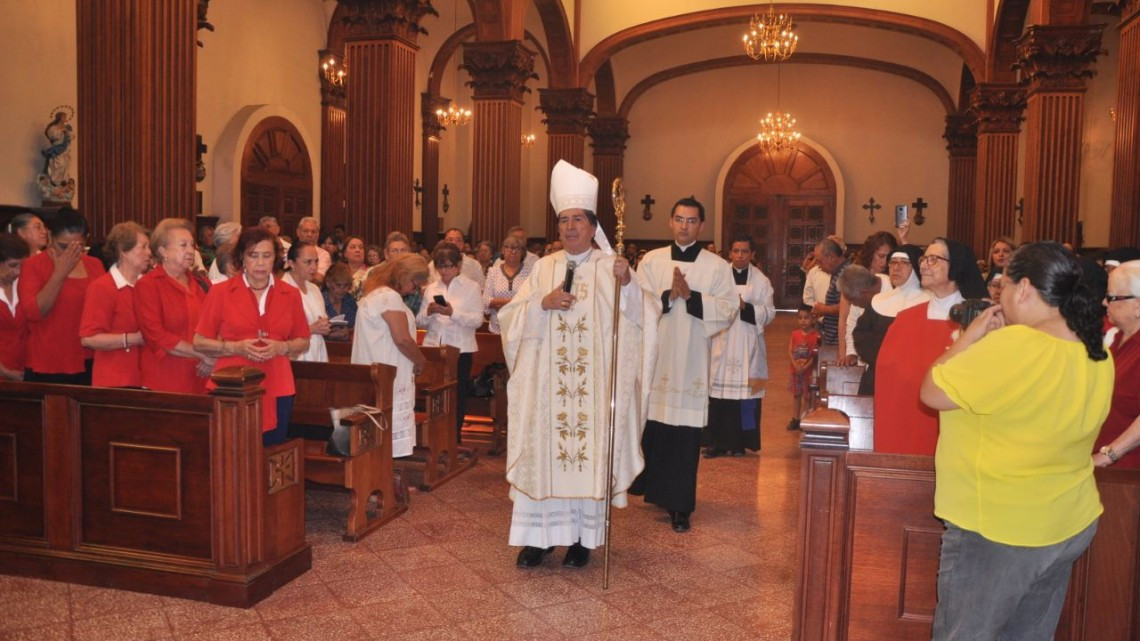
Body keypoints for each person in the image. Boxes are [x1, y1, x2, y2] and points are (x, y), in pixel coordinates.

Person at [919, 242, 1112, 641]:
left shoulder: (1012, 347)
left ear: (1024, 288)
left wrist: (969, 338)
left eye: (1003, 287)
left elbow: (931, 391)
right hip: (1065, 518)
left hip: (999, 525)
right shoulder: (1097, 351)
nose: (1000, 298)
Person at [500, 160, 649, 569]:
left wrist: (628, 283)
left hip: (591, 395)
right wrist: (541, 304)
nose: (569, 227)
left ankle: (582, 539)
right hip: (547, 393)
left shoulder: (610, 266)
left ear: (592, 225)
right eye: (563, 220)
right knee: (544, 458)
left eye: (577, 219)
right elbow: (509, 318)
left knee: (586, 459)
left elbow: (640, 319)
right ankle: (540, 540)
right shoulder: (543, 268)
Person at [630, 195, 737, 534]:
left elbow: (729, 308)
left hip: (691, 359)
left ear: (701, 226)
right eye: (679, 219)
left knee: (685, 434)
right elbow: (635, 301)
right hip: (657, 357)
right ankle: (656, 491)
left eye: (692, 221)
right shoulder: (652, 260)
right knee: (656, 426)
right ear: (670, 221)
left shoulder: (716, 266)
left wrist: (692, 298)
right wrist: (667, 296)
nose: (684, 226)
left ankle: (680, 505)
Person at [193, 227, 311, 445]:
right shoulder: (221, 292)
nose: (260, 263)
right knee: (232, 451)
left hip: (277, 383)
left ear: (275, 259)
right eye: (253, 255)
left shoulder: (290, 294)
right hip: (232, 385)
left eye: (267, 256)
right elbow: (199, 341)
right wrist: (235, 347)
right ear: (242, 258)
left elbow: (303, 340)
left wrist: (282, 347)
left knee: (272, 452)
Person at [874, 238, 985, 455]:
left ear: (956, 266)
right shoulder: (906, 319)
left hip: (958, 431)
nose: (924, 264)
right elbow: (889, 380)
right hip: (908, 426)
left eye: (934, 259)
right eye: (924, 259)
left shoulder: (978, 321)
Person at [352, 253, 430, 458]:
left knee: (378, 426)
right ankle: (384, 471)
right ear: (404, 275)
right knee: (386, 426)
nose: (414, 290)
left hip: (378, 369)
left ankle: (382, 469)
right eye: (415, 284)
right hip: (388, 372)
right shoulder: (389, 297)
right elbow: (402, 339)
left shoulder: (376, 292)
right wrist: (421, 361)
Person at [18, 207, 106, 384]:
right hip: (47, 361)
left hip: (88, 358)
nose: (69, 254)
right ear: (50, 236)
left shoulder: (95, 265)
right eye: (63, 247)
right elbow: (34, 312)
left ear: (86, 240)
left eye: (77, 247)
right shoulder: (33, 265)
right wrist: (59, 273)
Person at [705, 235, 775, 456]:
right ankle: (715, 442)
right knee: (717, 394)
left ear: (752, 254)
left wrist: (745, 307)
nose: (740, 255)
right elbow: (707, 303)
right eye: (736, 251)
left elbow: (769, 313)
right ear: (730, 253)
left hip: (747, 343)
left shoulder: (761, 281)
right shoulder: (718, 276)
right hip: (721, 341)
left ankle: (740, 443)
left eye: (745, 251)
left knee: (746, 396)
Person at [135, 218, 215, 394]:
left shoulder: (202, 283)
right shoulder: (148, 285)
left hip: (202, 379)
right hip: (164, 381)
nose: (191, 250)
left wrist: (213, 355)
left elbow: (218, 324)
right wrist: (202, 354)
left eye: (192, 245)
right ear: (163, 250)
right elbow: (157, 335)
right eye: (183, 245)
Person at [417, 242, 482, 441]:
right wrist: (428, 312)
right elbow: (419, 321)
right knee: (434, 394)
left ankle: (454, 437)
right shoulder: (431, 288)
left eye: (448, 266)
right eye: (440, 267)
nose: (444, 271)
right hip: (434, 347)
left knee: (457, 394)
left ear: (458, 265)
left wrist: (453, 313)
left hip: (460, 349)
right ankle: (435, 436)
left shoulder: (471, 287)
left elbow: (477, 320)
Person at [78, 222, 150, 387]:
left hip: (147, 377)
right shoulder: (102, 287)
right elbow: (88, 338)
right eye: (143, 247)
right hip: (115, 380)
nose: (149, 253)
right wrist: (133, 339)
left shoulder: (148, 286)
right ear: (123, 251)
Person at [852, 244, 928, 395]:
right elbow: (861, 334)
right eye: (893, 262)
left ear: (916, 267)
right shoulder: (879, 300)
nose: (896, 268)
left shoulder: (929, 301)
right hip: (877, 374)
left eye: (904, 263)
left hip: (913, 378)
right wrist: (885, 358)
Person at [1092, 260, 1140, 469]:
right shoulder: (1115, 338)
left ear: (1138, 306)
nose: (1104, 302)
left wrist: (1109, 454)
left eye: (1111, 297)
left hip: (1128, 472)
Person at [840, 232, 897, 364]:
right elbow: (849, 321)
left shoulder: (893, 287)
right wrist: (849, 352)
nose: (885, 262)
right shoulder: (856, 280)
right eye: (881, 256)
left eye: (889, 257)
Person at [282, 243, 329, 363]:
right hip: (295, 357)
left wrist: (324, 325)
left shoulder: (315, 289)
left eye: (316, 261)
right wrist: (311, 329)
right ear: (292, 263)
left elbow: (320, 318)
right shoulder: (282, 289)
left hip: (317, 352)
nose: (314, 267)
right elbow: (280, 333)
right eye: (308, 262)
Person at [482, 234, 533, 334]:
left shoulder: (531, 272)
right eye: (509, 248)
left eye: (517, 248)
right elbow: (486, 300)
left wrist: (499, 304)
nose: (513, 252)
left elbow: (531, 300)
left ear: (523, 252)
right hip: (497, 329)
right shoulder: (493, 272)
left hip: (522, 329)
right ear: (503, 250)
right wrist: (516, 303)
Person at [0, 234, 29, 381]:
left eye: (22, 266)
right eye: (13, 265)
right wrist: (4, 371)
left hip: (26, 371)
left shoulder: (25, 286)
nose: (18, 272)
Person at [812, 238, 849, 347]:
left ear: (832, 257)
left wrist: (824, 309)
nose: (818, 266)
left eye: (820, 261)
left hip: (839, 342)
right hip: (832, 338)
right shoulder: (838, 272)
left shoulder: (846, 274)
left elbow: (850, 306)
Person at [787, 305, 819, 431]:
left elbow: (815, 355)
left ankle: (805, 418)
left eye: (806, 318)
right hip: (795, 371)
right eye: (800, 318)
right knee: (796, 395)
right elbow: (790, 350)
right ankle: (795, 419)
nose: (803, 321)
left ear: (813, 319)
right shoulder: (794, 334)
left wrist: (805, 367)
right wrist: (795, 365)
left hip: (808, 372)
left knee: (807, 396)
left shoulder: (816, 336)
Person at [323, 262, 356, 341]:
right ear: (328, 283)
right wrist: (328, 334)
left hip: (346, 345)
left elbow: (357, 324)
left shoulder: (349, 300)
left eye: (346, 285)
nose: (342, 289)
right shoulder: (321, 300)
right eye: (338, 285)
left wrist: (348, 331)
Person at [294, 217, 331, 283]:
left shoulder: (324, 255)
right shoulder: (289, 252)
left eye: (313, 232)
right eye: (306, 231)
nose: (309, 235)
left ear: (318, 234)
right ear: (298, 232)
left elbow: (319, 278)